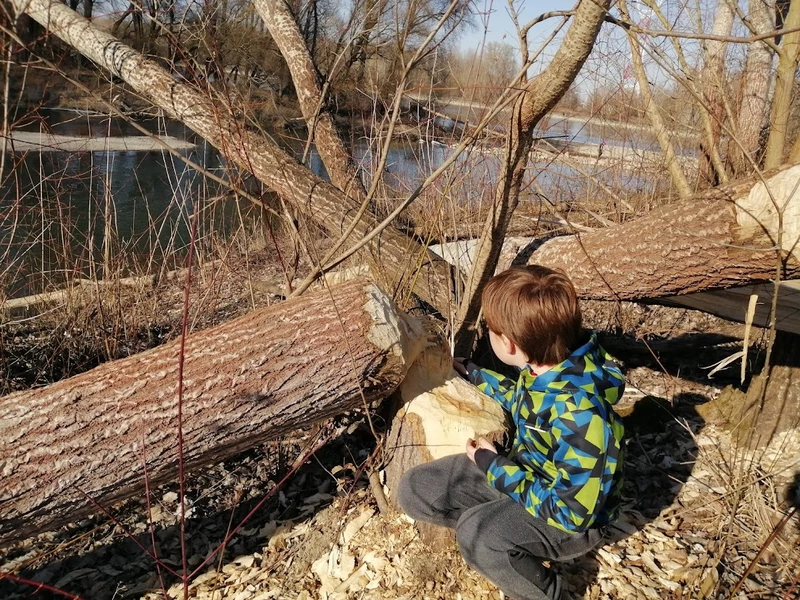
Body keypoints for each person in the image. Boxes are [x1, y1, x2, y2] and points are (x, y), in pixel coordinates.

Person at [397, 265, 626, 600]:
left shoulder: (581, 415)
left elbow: (573, 513)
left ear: (511, 345)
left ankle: (544, 589)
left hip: (574, 520)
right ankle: (504, 543)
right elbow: (526, 399)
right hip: (529, 476)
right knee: (417, 489)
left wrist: (495, 468)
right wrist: (478, 375)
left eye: (491, 329)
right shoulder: (548, 368)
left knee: (479, 535)